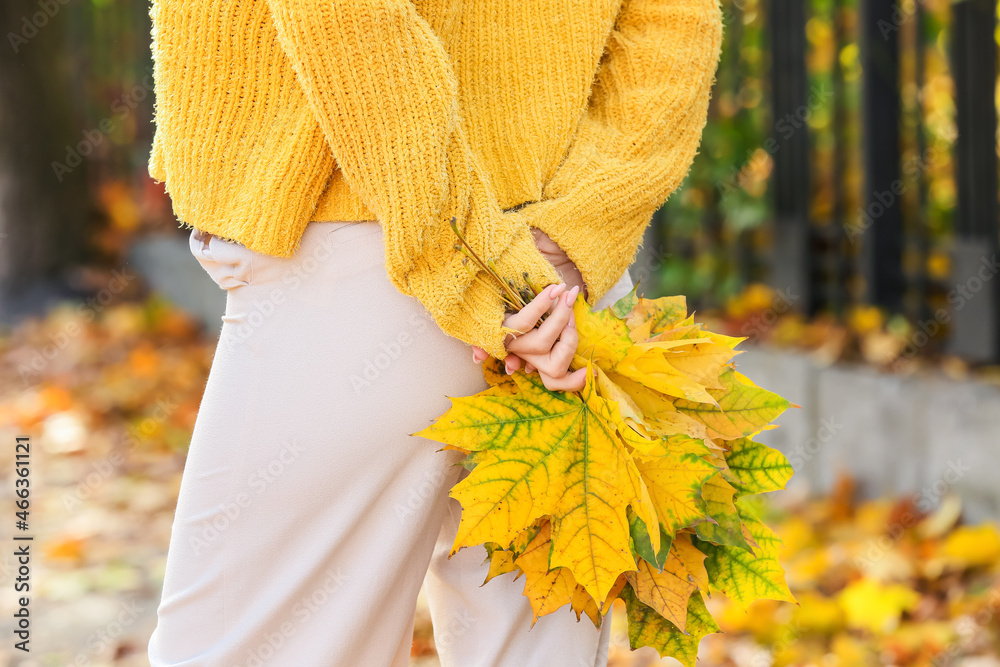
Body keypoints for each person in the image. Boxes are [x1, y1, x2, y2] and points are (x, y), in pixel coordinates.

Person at [145, 0, 722, 665]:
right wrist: (571, 237)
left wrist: (484, 266)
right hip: (554, 285)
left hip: (371, 261)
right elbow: (676, 18)